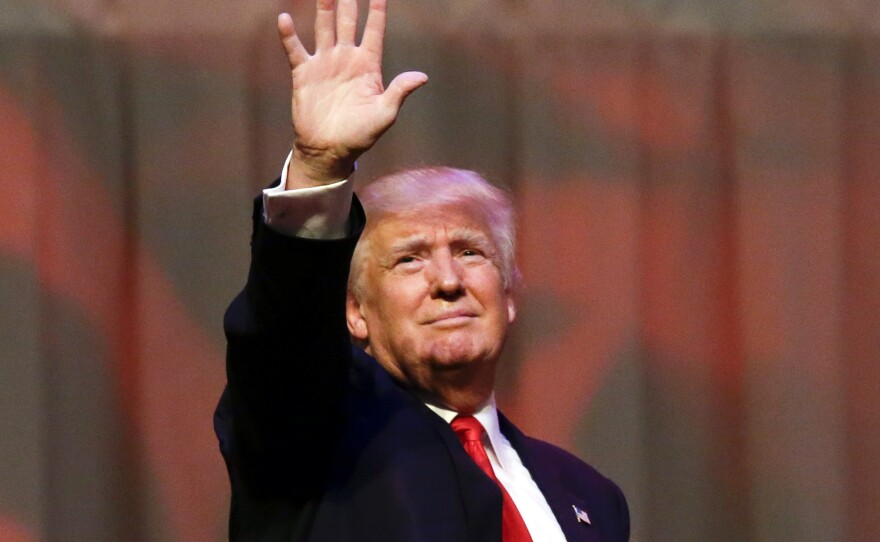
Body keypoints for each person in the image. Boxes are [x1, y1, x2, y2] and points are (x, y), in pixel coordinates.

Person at [213, 0, 630, 540]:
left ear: (508, 296)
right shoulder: (312, 437)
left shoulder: (590, 495)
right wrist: (320, 167)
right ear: (355, 313)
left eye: (470, 252)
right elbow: (284, 338)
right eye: (409, 259)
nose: (448, 281)